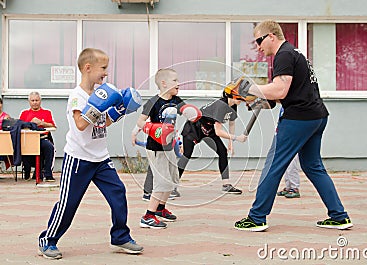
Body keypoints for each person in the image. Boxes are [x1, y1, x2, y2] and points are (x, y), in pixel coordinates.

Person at [234, 20, 352, 231]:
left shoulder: (284, 55)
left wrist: (247, 88)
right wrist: (254, 98)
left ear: (271, 36)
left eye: (259, 41)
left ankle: (256, 217)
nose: (258, 47)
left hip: (299, 119)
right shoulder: (295, 54)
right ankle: (339, 216)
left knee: (273, 165)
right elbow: (282, 95)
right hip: (316, 117)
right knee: (313, 166)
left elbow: (279, 91)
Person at [38, 48, 143, 259]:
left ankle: (120, 236)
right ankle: (48, 239)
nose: (105, 73)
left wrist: (119, 110)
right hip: (78, 159)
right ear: (88, 68)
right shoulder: (77, 96)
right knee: (68, 204)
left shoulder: (101, 94)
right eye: (102, 68)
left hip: (101, 158)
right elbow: (80, 124)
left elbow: (104, 123)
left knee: (118, 193)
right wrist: (98, 106)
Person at [141, 85, 249, 200]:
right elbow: (218, 132)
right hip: (194, 128)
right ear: (230, 96)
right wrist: (237, 138)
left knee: (222, 151)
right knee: (187, 155)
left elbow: (231, 123)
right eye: (239, 99)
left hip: (209, 130)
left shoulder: (232, 106)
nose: (240, 101)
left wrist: (230, 143)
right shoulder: (221, 106)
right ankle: (173, 187)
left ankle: (226, 184)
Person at [131, 68, 201, 229]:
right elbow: (140, 121)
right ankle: (148, 215)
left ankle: (160, 209)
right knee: (162, 182)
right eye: (175, 80)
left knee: (173, 179)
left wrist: (193, 113)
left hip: (169, 147)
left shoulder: (176, 100)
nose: (179, 83)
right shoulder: (153, 102)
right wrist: (153, 129)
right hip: (156, 148)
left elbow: (185, 110)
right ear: (164, 83)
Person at [19, 92, 57, 181]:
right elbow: (19, 127)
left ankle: (48, 173)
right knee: (23, 148)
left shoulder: (47, 112)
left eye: (37, 100)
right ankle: (28, 171)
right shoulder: (24, 113)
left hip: (42, 139)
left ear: (40, 101)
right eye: (32, 100)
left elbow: (53, 126)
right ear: (29, 102)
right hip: (28, 140)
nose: (35, 102)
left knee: (49, 147)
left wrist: (42, 123)